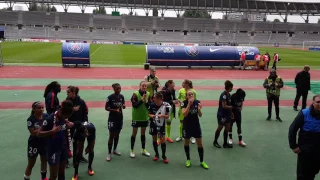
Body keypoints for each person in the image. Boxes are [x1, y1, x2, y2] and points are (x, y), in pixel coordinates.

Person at [37, 100, 74, 180]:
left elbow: (64, 124)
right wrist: (52, 131)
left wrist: (69, 124)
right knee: (53, 176)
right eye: (65, 116)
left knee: (61, 172)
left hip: (63, 148)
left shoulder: (64, 118)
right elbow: (39, 133)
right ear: (60, 111)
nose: (65, 118)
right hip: (53, 150)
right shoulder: (50, 119)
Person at [288, 95, 320, 180]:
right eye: (318, 102)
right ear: (313, 103)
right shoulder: (304, 113)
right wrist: (294, 146)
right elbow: (292, 129)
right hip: (305, 150)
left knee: (313, 172)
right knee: (303, 175)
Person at [181, 90, 208, 169]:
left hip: (196, 126)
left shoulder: (197, 102)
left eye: (192, 94)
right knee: (186, 143)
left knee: (200, 144)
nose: (190, 96)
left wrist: (199, 109)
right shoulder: (184, 103)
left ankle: (202, 161)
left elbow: (200, 115)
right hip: (187, 126)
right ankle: (188, 159)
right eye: (189, 95)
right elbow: (184, 114)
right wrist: (189, 105)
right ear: (186, 96)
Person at [24, 102, 49, 180]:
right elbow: (33, 132)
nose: (41, 109)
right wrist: (43, 129)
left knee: (44, 160)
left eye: (42, 107)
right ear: (34, 109)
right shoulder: (30, 119)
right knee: (31, 164)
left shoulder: (46, 116)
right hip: (34, 143)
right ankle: (26, 178)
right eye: (39, 108)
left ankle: (43, 178)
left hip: (44, 142)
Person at [66, 86, 89, 165]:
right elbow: (62, 113)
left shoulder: (81, 102)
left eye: (68, 92)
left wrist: (85, 123)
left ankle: (79, 157)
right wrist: (73, 109)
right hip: (69, 125)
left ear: (74, 93)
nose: (67, 93)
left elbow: (85, 112)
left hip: (80, 125)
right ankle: (66, 159)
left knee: (80, 142)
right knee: (68, 142)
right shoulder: (66, 102)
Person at [130, 81, 152, 158]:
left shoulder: (148, 94)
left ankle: (143, 149)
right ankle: (132, 150)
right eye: (143, 86)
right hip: (136, 117)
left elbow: (149, 106)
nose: (144, 87)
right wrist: (141, 100)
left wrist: (145, 101)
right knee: (134, 133)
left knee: (143, 134)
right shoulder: (135, 94)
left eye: (145, 86)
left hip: (144, 117)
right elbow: (134, 105)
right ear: (140, 86)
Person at [148, 92, 171, 163]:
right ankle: (156, 154)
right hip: (153, 124)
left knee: (162, 140)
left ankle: (164, 156)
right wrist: (151, 116)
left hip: (161, 125)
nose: (153, 98)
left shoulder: (166, 105)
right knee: (154, 140)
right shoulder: (152, 105)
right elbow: (149, 113)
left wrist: (162, 116)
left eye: (154, 97)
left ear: (159, 99)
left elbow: (167, 116)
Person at [105, 83, 125, 161]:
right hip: (112, 119)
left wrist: (123, 106)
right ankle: (109, 153)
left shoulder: (121, 96)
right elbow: (106, 108)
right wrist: (114, 110)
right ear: (114, 89)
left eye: (120, 88)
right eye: (117, 89)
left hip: (120, 118)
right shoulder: (109, 97)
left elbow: (123, 104)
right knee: (111, 136)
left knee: (117, 135)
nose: (119, 90)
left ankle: (115, 149)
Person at [213, 80, 233, 148]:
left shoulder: (229, 95)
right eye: (231, 87)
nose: (232, 89)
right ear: (229, 87)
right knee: (220, 128)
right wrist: (233, 107)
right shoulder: (224, 95)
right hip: (222, 114)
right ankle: (215, 141)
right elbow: (224, 106)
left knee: (227, 127)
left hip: (227, 114)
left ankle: (225, 143)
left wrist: (231, 112)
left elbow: (229, 104)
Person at [176, 80, 197, 144]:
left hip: (191, 110)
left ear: (187, 84)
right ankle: (180, 136)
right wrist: (179, 101)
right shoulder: (181, 90)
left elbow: (195, 100)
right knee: (181, 122)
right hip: (182, 109)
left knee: (191, 122)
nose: (182, 84)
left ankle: (192, 136)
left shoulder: (193, 91)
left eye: (183, 83)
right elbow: (178, 98)